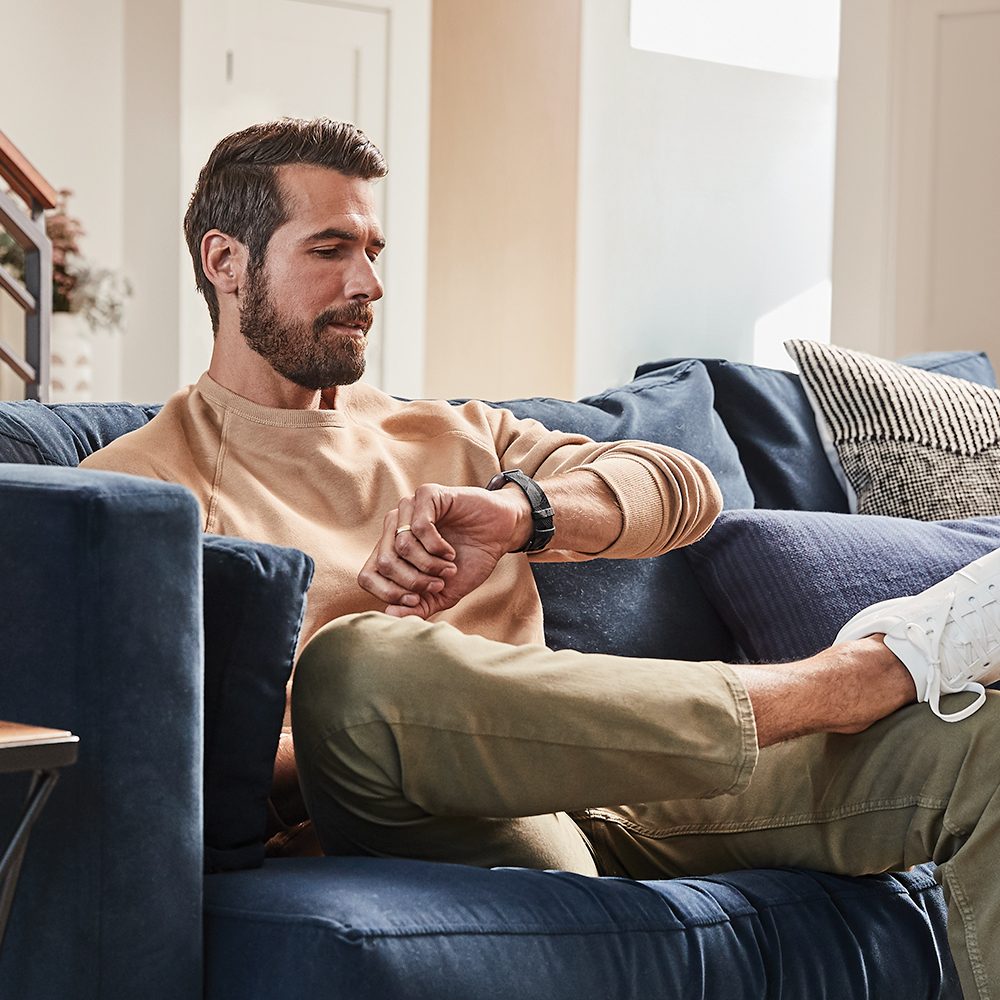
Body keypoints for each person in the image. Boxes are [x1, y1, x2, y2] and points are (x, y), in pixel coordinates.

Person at [82, 118, 1000, 999]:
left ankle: (866, 684)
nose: (368, 280)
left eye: (375, 251)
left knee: (982, 748)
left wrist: (519, 511)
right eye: (330, 250)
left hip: (619, 781)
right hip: (450, 813)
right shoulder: (138, 490)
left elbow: (680, 488)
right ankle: (845, 679)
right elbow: (158, 758)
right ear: (226, 262)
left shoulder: (453, 432)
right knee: (356, 667)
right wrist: (405, 721)